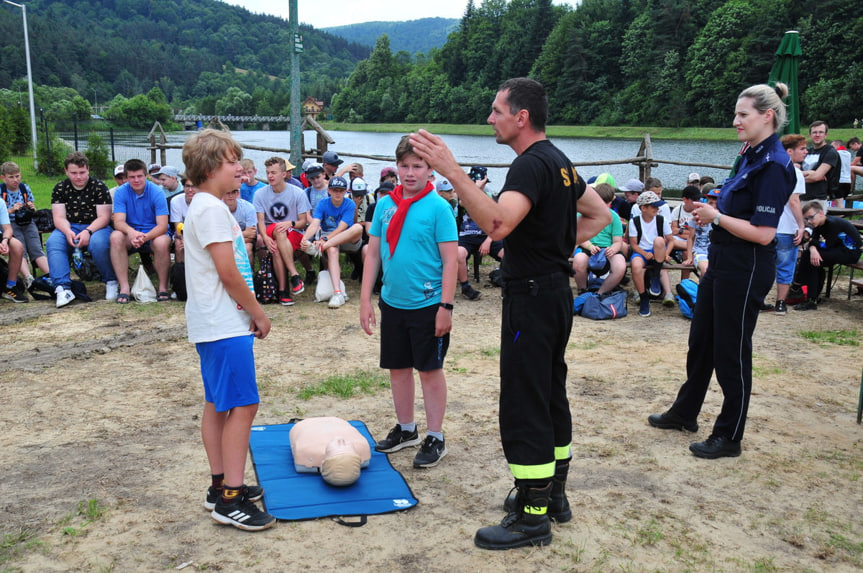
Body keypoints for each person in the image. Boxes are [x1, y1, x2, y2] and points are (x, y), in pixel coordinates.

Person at [409, 77, 610, 550]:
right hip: (555, 293)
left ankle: (532, 516)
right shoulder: (559, 162)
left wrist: (452, 173)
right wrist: (554, 247)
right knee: (549, 393)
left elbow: (497, 224)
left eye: (497, 110)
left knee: (525, 403)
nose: (490, 118)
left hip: (534, 297)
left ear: (522, 117)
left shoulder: (530, 165)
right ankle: (553, 497)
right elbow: (599, 216)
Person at [648, 83, 796, 459]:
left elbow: (764, 235)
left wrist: (717, 216)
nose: (735, 121)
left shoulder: (774, 165)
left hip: (746, 266)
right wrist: (714, 217)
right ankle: (686, 412)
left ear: (767, 116)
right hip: (723, 259)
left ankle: (729, 435)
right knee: (701, 341)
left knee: (731, 351)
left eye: (742, 115)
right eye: (735, 114)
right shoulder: (750, 154)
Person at [181, 128, 274, 531]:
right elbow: (228, 272)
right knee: (243, 405)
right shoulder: (213, 210)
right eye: (233, 161)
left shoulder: (204, 205)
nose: (240, 167)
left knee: (218, 404)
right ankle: (231, 500)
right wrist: (258, 313)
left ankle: (219, 485)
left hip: (212, 321)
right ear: (211, 166)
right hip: (223, 323)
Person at [359, 135, 458, 471]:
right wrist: (365, 301)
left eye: (418, 166)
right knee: (398, 368)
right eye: (405, 166)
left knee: (429, 370)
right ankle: (406, 429)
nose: (410, 173)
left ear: (431, 170)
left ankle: (435, 435)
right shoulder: (386, 204)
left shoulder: (439, 208)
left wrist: (446, 306)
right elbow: (372, 253)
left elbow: (450, 262)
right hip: (393, 302)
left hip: (428, 303)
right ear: (396, 167)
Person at [47, 152, 117, 307]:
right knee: (53, 243)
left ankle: (111, 281)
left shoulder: (99, 187)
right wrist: (67, 231)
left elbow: (104, 217)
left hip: (96, 226)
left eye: (82, 172)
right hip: (69, 225)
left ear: (88, 170)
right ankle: (62, 287)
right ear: (66, 171)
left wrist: (88, 231)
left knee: (99, 244)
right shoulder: (60, 188)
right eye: (73, 173)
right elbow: (58, 217)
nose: (78, 177)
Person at [110, 159, 171, 303]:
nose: (136, 180)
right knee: (115, 237)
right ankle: (124, 288)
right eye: (132, 177)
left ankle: (163, 287)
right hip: (131, 233)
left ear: (146, 176)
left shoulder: (157, 192)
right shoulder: (120, 192)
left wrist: (145, 237)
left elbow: (162, 225)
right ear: (126, 177)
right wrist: (132, 233)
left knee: (162, 242)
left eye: (139, 176)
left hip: (154, 233)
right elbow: (118, 221)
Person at [253, 157, 311, 306]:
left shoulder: (298, 193)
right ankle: (294, 275)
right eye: (268, 173)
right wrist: (265, 238)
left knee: (277, 248)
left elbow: (302, 222)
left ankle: (283, 292)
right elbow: (260, 221)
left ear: (284, 174)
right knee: (278, 230)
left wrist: (289, 223)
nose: (270, 176)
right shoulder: (260, 194)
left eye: (274, 172)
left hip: (293, 231)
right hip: (272, 229)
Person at [301, 176, 363, 309]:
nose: (337, 193)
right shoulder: (323, 203)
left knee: (358, 228)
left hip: (345, 236)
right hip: (327, 238)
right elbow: (314, 224)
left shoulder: (349, 204)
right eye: (334, 190)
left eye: (341, 190)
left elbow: (342, 228)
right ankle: (338, 293)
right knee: (332, 250)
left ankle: (322, 247)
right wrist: (304, 239)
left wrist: (325, 241)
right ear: (329, 190)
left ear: (346, 191)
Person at [761, 134, 806, 314]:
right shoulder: (795, 173)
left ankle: (759, 300)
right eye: (802, 149)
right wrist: (801, 226)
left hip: (765, 226)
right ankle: (780, 303)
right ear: (789, 151)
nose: (805, 152)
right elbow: (794, 201)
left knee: (765, 266)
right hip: (786, 227)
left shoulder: (767, 169)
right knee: (785, 266)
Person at [793, 201, 862, 310]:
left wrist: (813, 247)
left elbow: (826, 245)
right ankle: (808, 294)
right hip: (838, 249)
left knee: (810, 257)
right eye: (806, 219)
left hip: (850, 252)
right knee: (810, 257)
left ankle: (803, 292)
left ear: (821, 213)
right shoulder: (819, 224)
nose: (809, 221)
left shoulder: (832, 224)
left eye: (811, 217)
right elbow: (815, 241)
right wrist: (813, 248)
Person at [1, 161, 49, 287]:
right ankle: (28, 278)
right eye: (11, 177)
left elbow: (33, 207)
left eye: (17, 176)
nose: (15, 180)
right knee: (20, 249)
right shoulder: (2, 191)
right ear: (3, 178)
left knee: (36, 248)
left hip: (28, 222)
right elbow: (1, 214)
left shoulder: (24, 188)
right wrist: (12, 209)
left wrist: (31, 207)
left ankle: (51, 275)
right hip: (10, 223)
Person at [572, 182, 625, 295]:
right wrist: (590, 246)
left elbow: (617, 241)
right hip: (588, 245)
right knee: (578, 262)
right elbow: (578, 236)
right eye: (601, 202)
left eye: (606, 203)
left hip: (607, 248)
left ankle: (600, 293)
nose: (604, 206)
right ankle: (582, 290)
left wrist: (613, 249)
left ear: (611, 202)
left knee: (620, 266)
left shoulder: (614, 217)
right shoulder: (581, 215)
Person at [289, 417, 372, 487]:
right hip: (337, 421)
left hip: (304, 425)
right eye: (347, 446)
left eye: (337, 448)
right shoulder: (361, 445)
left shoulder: (306, 449)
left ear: (323, 462)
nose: (341, 441)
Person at [629, 190, 674, 316]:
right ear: (643, 208)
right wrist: (644, 253)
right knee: (636, 266)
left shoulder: (661, 220)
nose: (657, 209)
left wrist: (667, 253)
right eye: (654, 206)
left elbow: (671, 241)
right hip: (641, 251)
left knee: (659, 240)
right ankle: (644, 298)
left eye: (658, 206)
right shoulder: (635, 221)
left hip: (658, 251)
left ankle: (655, 276)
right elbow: (633, 244)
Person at [801, 121, 839, 210]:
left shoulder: (830, 152)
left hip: (817, 199)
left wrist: (797, 176)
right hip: (800, 197)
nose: (817, 135)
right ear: (810, 135)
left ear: (826, 135)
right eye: (814, 132)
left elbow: (816, 177)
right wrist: (810, 173)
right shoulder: (806, 151)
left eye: (821, 132)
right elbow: (791, 171)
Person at [0, 199, 28, 302]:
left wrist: (5, 240)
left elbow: (8, 229)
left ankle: (10, 286)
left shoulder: (0, 202)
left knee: (17, 246)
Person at [222, 187, 258, 263]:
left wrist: (231, 238)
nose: (230, 196)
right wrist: (244, 233)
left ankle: (249, 273)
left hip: (244, 241)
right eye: (227, 193)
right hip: (226, 243)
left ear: (237, 193)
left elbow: (252, 235)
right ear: (222, 194)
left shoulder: (248, 207)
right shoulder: (217, 209)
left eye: (233, 192)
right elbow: (220, 237)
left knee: (247, 248)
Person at [170, 177, 197, 263]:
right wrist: (185, 239)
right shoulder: (175, 201)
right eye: (187, 186)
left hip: (201, 234)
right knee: (179, 245)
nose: (190, 190)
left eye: (193, 186)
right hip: (183, 234)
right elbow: (178, 227)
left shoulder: (205, 201)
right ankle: (181, 273)